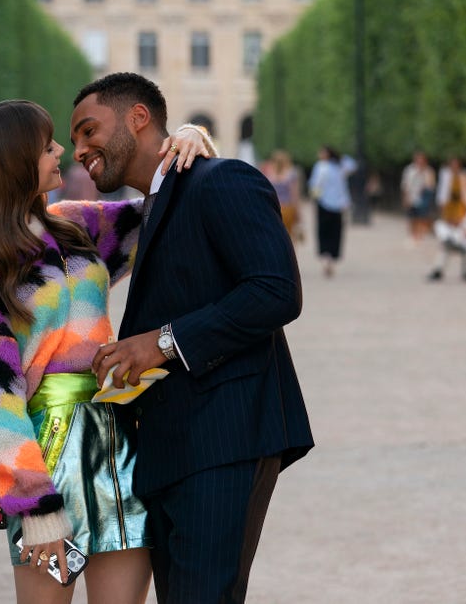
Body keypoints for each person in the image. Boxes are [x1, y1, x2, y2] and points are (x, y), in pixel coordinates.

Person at [0, 100, 214, 604]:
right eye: (46, 146)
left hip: (118, 442)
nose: (62, 150)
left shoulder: (74, 225)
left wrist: (191, 138)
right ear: (10, 161)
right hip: (45, 454)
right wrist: (34, 505)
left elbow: (169, 208)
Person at [72, 72, 313, 604]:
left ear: (138, 118)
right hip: (173, 447)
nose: (80, 149)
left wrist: (156, 343)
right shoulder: (147, 209)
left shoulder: (222, 179)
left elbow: (276, 291)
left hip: (224, 435)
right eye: (71, 142)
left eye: (88, 131)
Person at [308, 146, 356, 278]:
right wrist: (339, 157)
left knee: (323, 232)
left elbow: (315, 185)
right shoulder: (340, 166)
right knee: (336, 232)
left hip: (323, 203)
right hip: (338, 205)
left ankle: (325, 257)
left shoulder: (321, 166)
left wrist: (313, 198)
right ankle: (331, 259)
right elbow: (352, 164)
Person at [261, 149, 303, 244]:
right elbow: (294, 195)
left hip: (273, 209)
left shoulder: (268, 175)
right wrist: (298, 212)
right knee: (290, 238)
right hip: (287, 208)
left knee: (274, 237)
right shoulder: (291, 175)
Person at [400, 151, 437, 243]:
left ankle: (420, 236)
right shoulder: (409, 170)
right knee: (412, 218)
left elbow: (431, 185)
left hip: (423, 199)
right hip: (412, 197)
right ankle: (412, 235)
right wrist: (405, 198)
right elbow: (405, 185)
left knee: (422, 217)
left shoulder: (429, 171)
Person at [435, 156, 466, 227]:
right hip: (448, 200)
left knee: (460, 219)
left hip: (460, 201)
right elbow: (442, 188)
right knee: (447, 219)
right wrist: (440, 201)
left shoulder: (464, 174)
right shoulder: (445, 174)